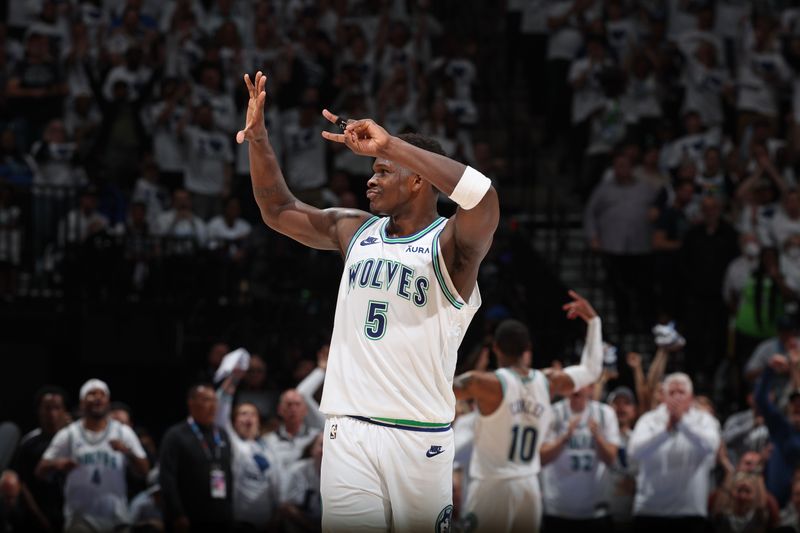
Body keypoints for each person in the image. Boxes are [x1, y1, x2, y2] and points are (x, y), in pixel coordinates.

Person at [237, 70, 500, 532]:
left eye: (382, 171)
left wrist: (390, 145)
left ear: (418, 181)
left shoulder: (451, 245)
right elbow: (277, 210)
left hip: (420, 438)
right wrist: (258, 139)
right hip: (348, 432)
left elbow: (483, 196)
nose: (370, 181)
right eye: (373, 171)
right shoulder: (354, 230)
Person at [451, 292, 604, 533]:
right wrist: (594, 322)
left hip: (493, 485)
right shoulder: (548, 382)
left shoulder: (484, 384)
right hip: (529, 485)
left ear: (495, 348)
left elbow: (438, 390)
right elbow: (592, 370)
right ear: (528, 348)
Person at [36, 379, 149, 532]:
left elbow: (145, 470)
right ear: (82, 402)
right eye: (92, 394)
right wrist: (57, 464)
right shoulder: (69, 434)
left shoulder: (123, 432)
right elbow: (40, 470)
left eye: (102, 394)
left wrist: (128, 452)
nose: (97, 397)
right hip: (79, 520)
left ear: (107, 402)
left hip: (116, 519)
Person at [628, 373, 721, 533]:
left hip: (690, 512)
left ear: (690, 396)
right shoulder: (648, 420)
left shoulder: (705, 420)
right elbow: (635, 452)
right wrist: (666, 431)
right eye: (672, 392)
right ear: (663, 397)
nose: (677, 396)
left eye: (681, 392)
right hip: (650, 510)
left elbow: (711, 446)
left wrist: (683, 423)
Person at [159, 383, 234, 533]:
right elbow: (167, 478)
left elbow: (228, 475)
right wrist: (177, 514)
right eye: (206, 400)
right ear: (191, 403)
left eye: (214, 400)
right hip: (189, 517)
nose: (212, 406)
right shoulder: (175, 435)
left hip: (220, 517)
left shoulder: (222, 434)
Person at [216, 369, 283, 531]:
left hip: (268, 522)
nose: (248, 418)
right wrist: (233, 379)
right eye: (243, 414)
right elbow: (220, 412)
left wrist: (277, 516)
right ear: (234, 421)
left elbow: (277, 485)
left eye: (252, 414)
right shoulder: (233, 443)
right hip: (239, 522)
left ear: (258, 421)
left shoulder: (269, 447)